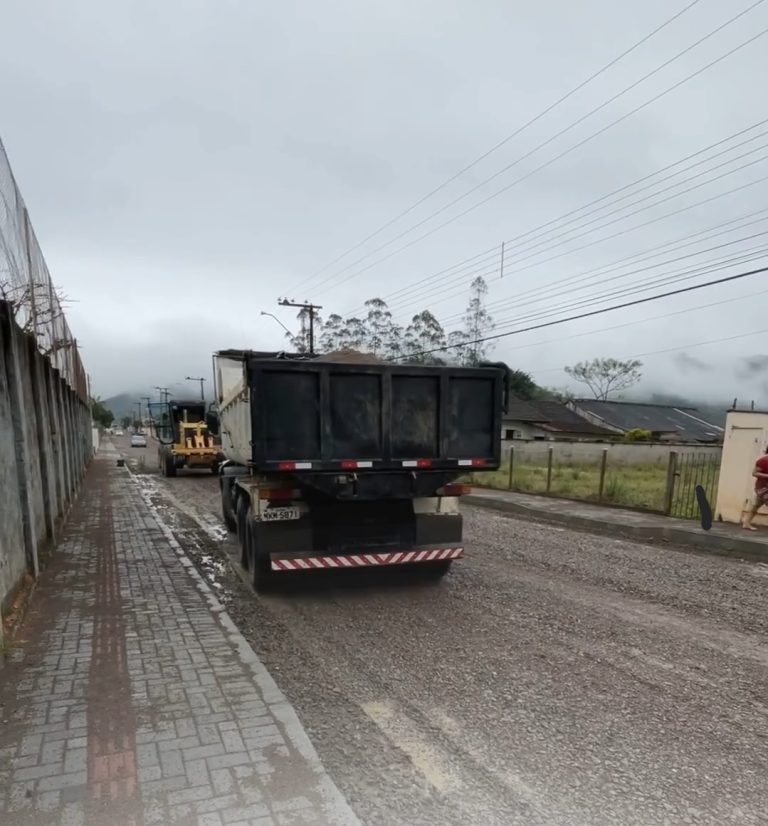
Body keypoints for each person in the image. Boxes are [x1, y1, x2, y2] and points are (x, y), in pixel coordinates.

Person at [742, 447, 768, 530]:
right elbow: (754, 473)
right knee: (756, 505)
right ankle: (746, 523)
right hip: (763, 487)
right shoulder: (763, 461)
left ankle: (746, 523)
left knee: (756, 505)